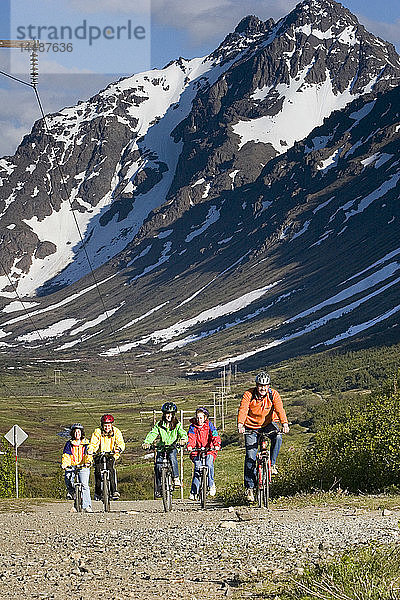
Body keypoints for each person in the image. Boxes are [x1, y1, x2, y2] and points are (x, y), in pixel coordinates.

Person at [237, 371, 289, 502]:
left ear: (269, 386)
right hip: (251, 427)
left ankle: (272, 465)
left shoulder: (273, 394)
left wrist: (285, 423)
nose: (263, 388)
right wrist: (240, 424)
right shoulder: (248, 394)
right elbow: (243, 409)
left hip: (268, 424)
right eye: (260, 385)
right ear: (256, 385)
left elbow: (279, 409)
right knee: (250, 456)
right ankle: (249, 488)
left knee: (277, 436)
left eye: (265, 386)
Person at [142, 402, 188, 497]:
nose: (169, 416)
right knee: (158, 465)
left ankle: (176, 478)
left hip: (172, 447)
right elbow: (153, 433)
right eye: (167, 413)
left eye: (171, 414)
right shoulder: (159, 425)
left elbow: (182, 433)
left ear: (174, 415)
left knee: (172, 457)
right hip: (161, 447)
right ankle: (159, 488)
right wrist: (147, 442)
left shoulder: (177, 425)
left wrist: (183, 440)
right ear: (164, 414)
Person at [88, 414, 125, 501]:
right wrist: (91, 450)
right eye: (105, 425)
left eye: (108, 425)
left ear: (112, 425)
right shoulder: (97, 432)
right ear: (102, 425)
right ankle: (97, 492)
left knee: (111, 469)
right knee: (97, 471)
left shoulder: (116, 431)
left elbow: (120, 442)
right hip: (99, 454)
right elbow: (94, 443)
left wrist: (118, 449)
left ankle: (114, 491)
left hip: (111, 454)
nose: (107, 427)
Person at [187, 406, 221, 500]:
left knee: (209, 464)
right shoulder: (192, 427)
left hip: (209, 450)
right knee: (197, 468)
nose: (199, 420)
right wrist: (190, 445)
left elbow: (215, 435)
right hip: (197, 451)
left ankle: (211, 485)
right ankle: (194, 492)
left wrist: (216, 444)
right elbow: (191, 437)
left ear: (205, 417)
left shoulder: (209, 425)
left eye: (201, 417)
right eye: (197, 417)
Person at [62, 423, 93, 513]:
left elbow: (88, 454)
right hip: (72, 465)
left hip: (83, 466)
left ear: (81, 433)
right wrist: (65, 464)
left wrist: (88, 462)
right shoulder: (69, 444)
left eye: (78, 432)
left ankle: (87, 506)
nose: (77, 434)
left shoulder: (86, 443)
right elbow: (66, 455)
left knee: (84, 485)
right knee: (68, 478)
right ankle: (72, 493)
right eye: (75, 432)